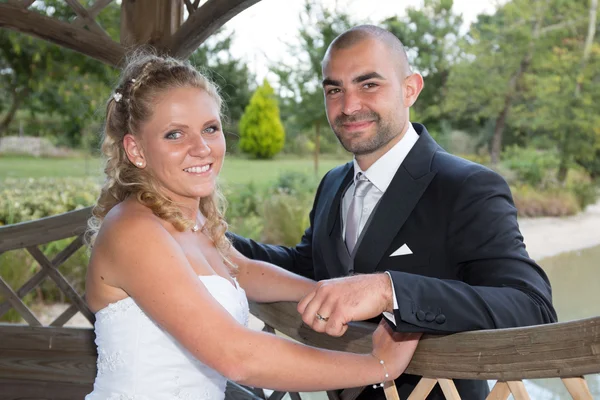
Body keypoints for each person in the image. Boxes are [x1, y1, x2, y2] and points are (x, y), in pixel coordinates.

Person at [229, 25, 558, 399]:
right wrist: (211, 237)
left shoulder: (468, 187)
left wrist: (390, 290)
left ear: (410, 88)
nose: (349, 106)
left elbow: (531, 308)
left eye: (368, 85)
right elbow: (309, 266)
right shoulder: (333, 183)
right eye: (335, 89)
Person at [83, 51, 421, 400]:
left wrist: (328, 294)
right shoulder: (133, 230)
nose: (202, 148)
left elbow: (240, 270)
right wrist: (379, 366)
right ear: (136, 150)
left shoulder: (188, 219)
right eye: (174, 135)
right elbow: (236, 355)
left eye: (210, 129)